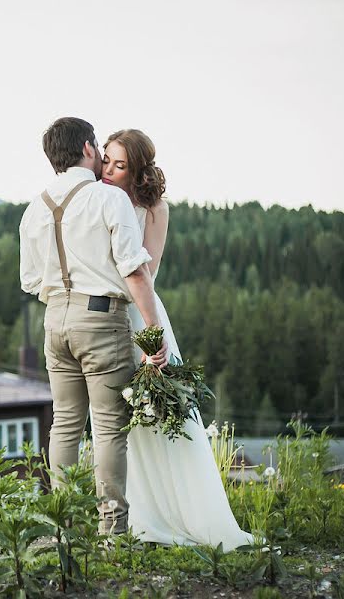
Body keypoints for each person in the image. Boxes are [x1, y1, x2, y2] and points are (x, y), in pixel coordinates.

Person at [100, 129, 254, 550]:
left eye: (120, 164)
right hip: (102, 314)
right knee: (120, 419)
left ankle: (191, 515)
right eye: (106, 161)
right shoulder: (97, 196)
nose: (109, 171)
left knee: (164, 413)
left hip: (141, 313)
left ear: (138, 169)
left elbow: (149, 272)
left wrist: (148, 330)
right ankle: (137, 516)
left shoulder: (155, 209)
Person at [19, 117, 166, 535]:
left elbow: (30, 280)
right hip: (101, 319)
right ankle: (112, 531)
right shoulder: (108, 199)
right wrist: (153, 334)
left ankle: (63, 526)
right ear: (87, 147)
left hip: (54, 320)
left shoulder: (34, 208)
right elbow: (135, 271)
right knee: (107, 426)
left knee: (64, 422)